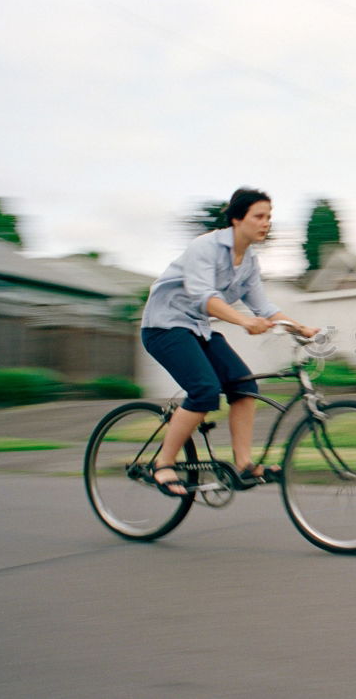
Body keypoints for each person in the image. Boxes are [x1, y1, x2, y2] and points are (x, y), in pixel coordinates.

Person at [140, 187, 319, 497]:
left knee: (244, 385)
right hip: (164, 326)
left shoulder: (248, 262)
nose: (266, 223)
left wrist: (299, 328)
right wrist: (244, 321)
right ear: (237, 219)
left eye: (269, 217)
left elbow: (263, 307)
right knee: (205, 390)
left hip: (198, 329)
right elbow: (204, 298)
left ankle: (243, 465)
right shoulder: (205, 248)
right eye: (259, 216)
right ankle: (162, 464)